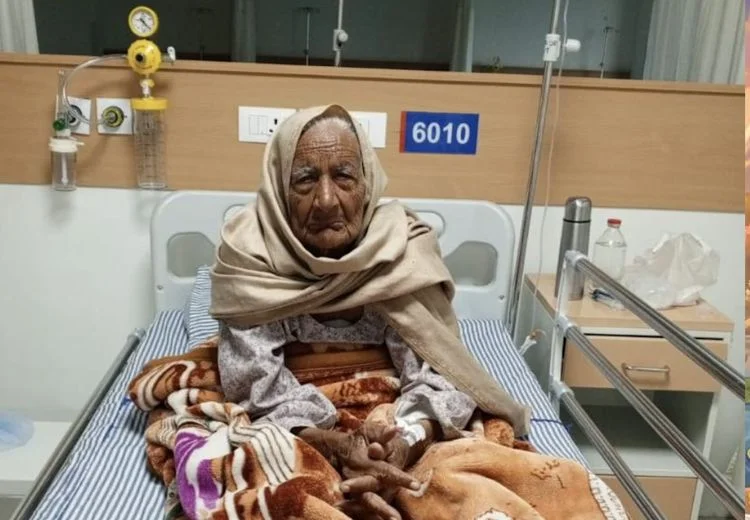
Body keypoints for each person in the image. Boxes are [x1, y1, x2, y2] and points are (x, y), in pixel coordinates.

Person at [131, 104, 627, 520]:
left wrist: (404, 439)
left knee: (459, 472)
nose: (327, 199)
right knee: (266, 466)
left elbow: (439, 369)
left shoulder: (402, 251)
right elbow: (258, 388)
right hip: (292, 414)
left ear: (367, 184)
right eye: (305, 179)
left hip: (395, 413)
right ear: (281, 187)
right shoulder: (249, 257)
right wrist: (331, 442)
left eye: (344, 176)